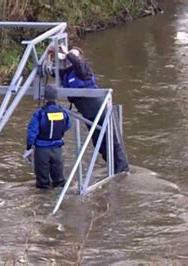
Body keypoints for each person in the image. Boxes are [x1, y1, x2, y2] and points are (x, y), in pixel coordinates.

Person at [55, 45, 130, 173]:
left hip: (99, 108)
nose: (70, 58)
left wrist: (67, 52)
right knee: (98, 144)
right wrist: (49, 53)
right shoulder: (66, 74)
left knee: (110, 139)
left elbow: (78, 63)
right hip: (87, 113)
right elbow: (49, 70)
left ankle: (123, 169)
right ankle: (113, 168)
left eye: (74, 55)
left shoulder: (84, 70)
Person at [25, 85, 71, 189]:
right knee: (59, 181)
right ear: (56, 97)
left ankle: (44, 201)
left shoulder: (40, 113)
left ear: (45, 97)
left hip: (42, 149)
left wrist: (28, 146)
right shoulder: (63, 112)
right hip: (57, 149)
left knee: (42, 183)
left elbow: (32, 131)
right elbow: (68, 125)